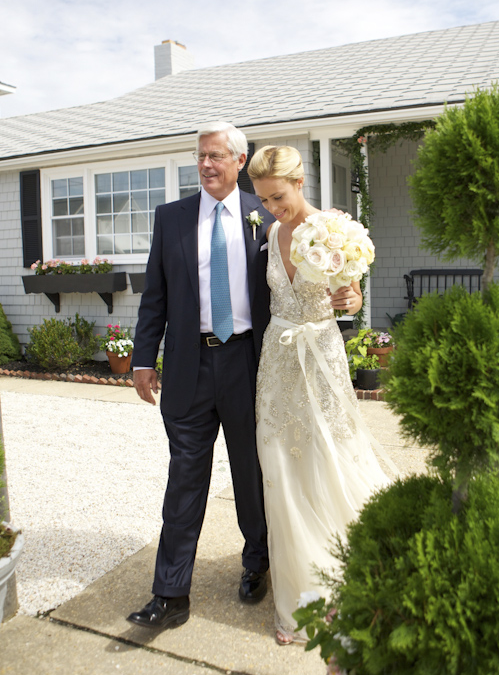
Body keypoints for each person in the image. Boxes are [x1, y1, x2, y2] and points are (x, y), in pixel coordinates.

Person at [127, 121, 274, 629]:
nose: (207, 165)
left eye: (216, 156)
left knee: (250, 473)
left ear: (239, 161)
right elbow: (155, 296)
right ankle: (170, 595)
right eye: (200, 157)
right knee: (185, 477)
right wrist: (144, 359)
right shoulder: (171, 219)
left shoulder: (267, 216)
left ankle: (257, 561)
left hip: (247, 363)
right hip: (189, 366)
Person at [247, 145, 391, 645]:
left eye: (278, 197)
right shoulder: (269, 233)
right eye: (264, 200)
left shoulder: (337, 231)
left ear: (300, 181)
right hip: (277, 359)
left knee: (329, 458)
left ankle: (344, 577)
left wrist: (352, 296)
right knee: (280, 467)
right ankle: (299, 598)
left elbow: (350, 293)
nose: (272, 209)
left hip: (321, 354)